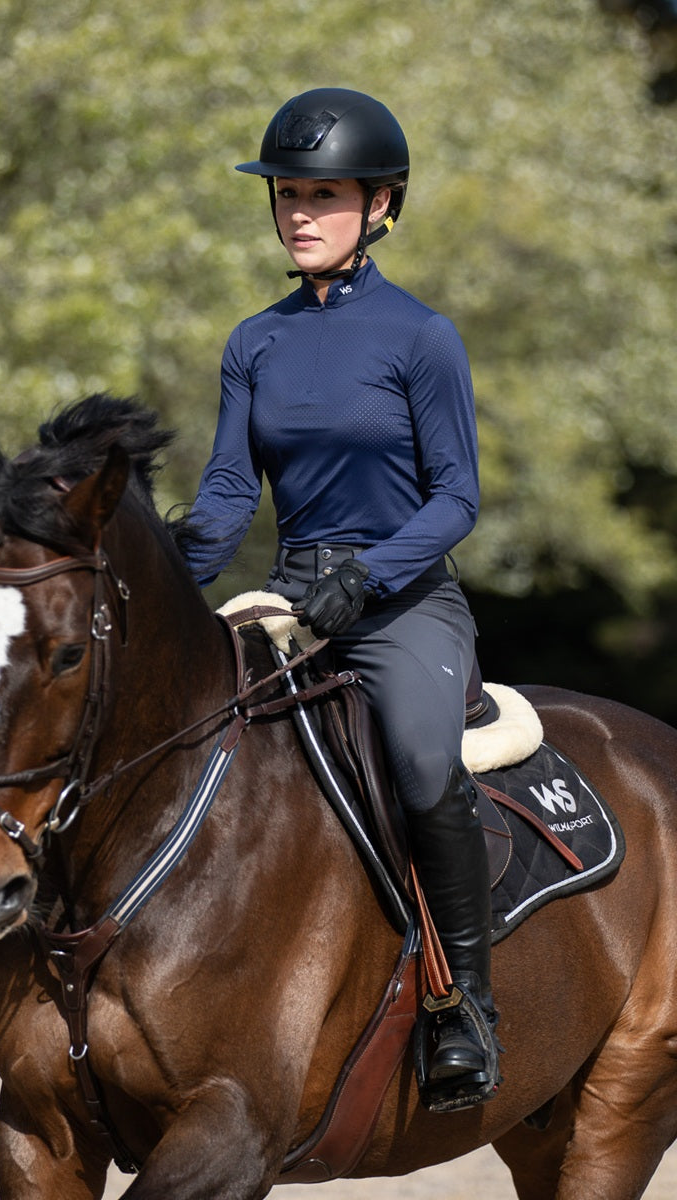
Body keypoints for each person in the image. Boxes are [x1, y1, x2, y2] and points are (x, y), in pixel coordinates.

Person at [183, 87, 499, 1105]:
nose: (298, 213)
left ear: (379, 206)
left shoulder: (421, 337)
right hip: (289, 599)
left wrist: (369, 573)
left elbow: (457, 496)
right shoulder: (253, 342)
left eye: (321, 194)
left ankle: (465, 1008)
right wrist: (171, 585)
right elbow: (232, 491)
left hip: (403, 603)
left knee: (417, 765)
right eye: (285, 194)